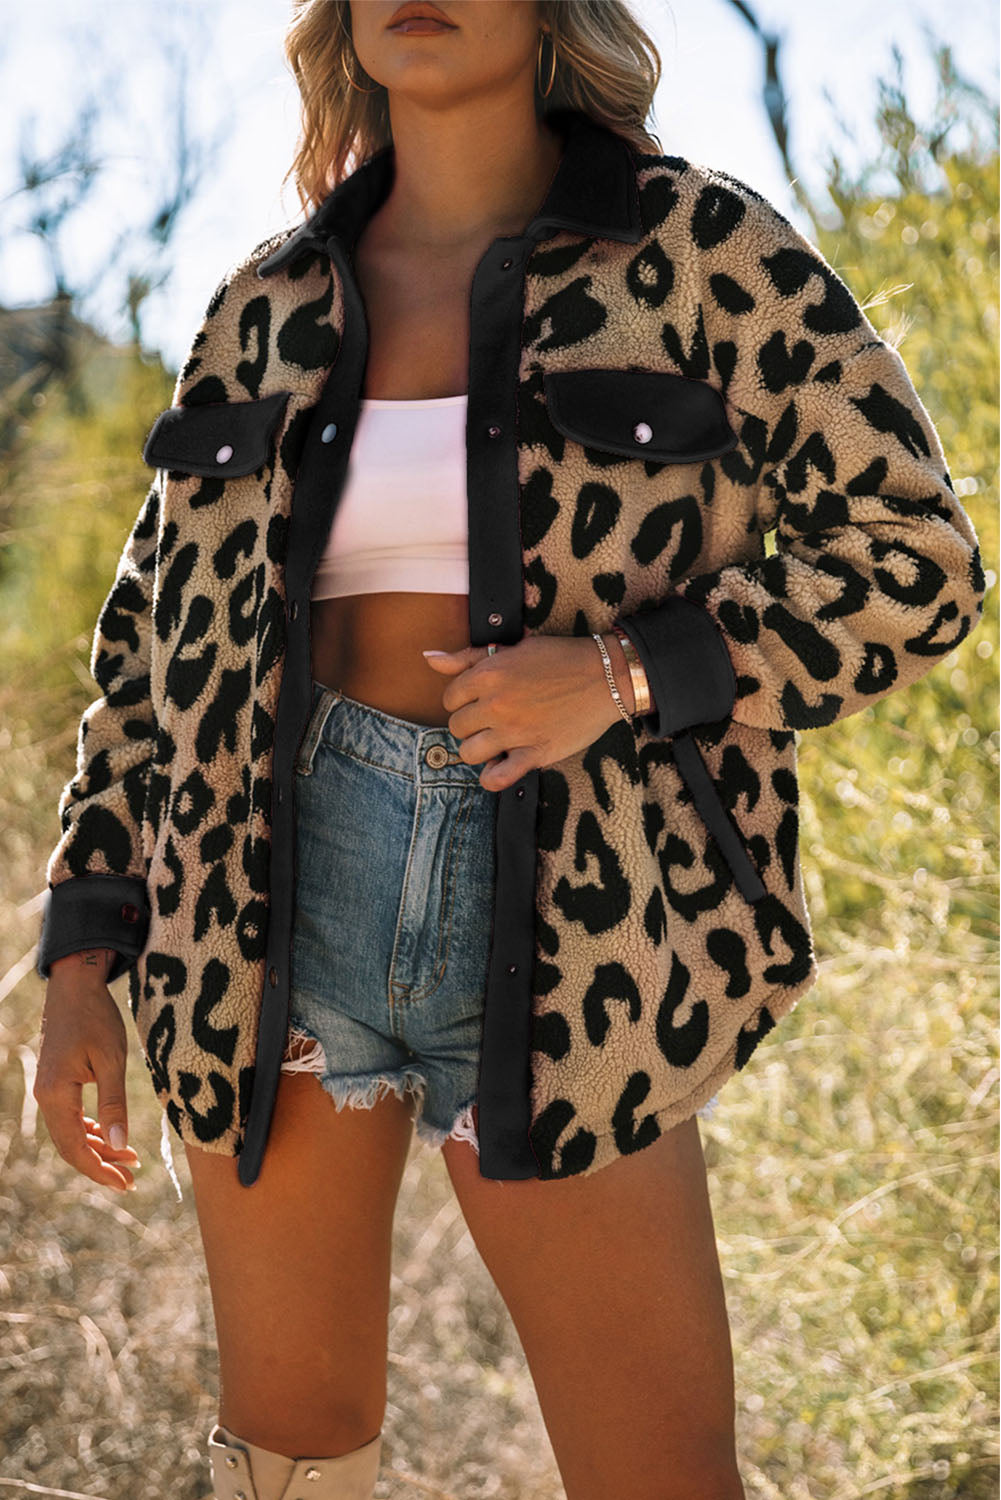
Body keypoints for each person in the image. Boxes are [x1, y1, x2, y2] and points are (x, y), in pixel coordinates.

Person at [32, 3, 985, 1498]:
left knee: (660, 1472)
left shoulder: (700, 252)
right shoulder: (262, 306)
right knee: (290, 1455)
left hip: (582, 914)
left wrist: (621, 674)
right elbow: (150, 656)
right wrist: (82, 952)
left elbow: (915, 559)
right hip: (267, 911)